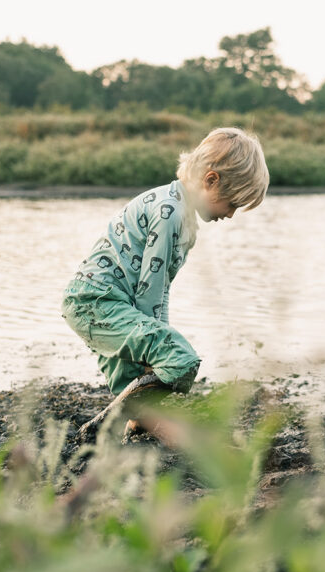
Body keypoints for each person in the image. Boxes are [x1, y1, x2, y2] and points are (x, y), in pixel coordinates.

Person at [62, 127, 269, 445]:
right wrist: (158, 344)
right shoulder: (170, 214)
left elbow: (159, 289)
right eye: (231, 203)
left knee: (136, 379)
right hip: (99, 301)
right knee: (181, 359)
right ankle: (98, 431)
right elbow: (151, 293)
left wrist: (155, 337)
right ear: (210, 180)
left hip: (99, 304)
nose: (230, 214)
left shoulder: (178, 211)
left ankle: (137, 430)